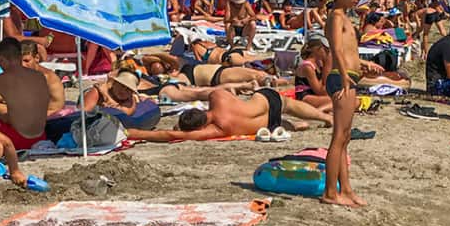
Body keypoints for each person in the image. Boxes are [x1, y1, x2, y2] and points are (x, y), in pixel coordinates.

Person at [126, 87, 330, 142]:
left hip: (266, 125)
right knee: (288, 104)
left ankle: (293, 126)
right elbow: (199, 92)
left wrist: (134, 133)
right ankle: (325, 117)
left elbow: (172, 136)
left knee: (282, 124)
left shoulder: (218, 129)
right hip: (266, 100)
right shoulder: (218, 98)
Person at [323, 0, 369, 207]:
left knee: (345, 136)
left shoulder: (345, 17)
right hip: (341, 78)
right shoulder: (336, 17)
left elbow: (349, 51)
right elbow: (337, 49)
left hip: (348, 75)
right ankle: (331, 192)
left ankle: (346, 188)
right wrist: (343, 76)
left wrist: (364, 64)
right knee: (339, 136)